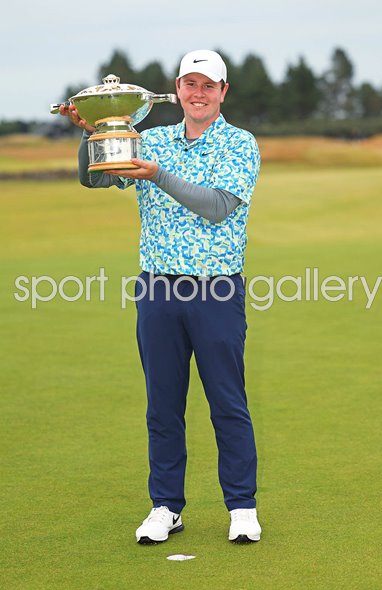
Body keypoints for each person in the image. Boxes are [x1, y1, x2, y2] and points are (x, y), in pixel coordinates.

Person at [61, 49, 261, 544]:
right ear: (177, 88)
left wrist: (158, 176)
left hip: (216, 290)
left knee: (226, 402)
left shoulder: (240, 144)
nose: (198, 93)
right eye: (190, 84)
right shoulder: (151, 138)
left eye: (207, 85)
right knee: (162, 405)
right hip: (157, 289)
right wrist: (91, 132)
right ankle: (165, 506)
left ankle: (241, 507)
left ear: (222, 93)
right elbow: (94, 177)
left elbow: (216, 207)